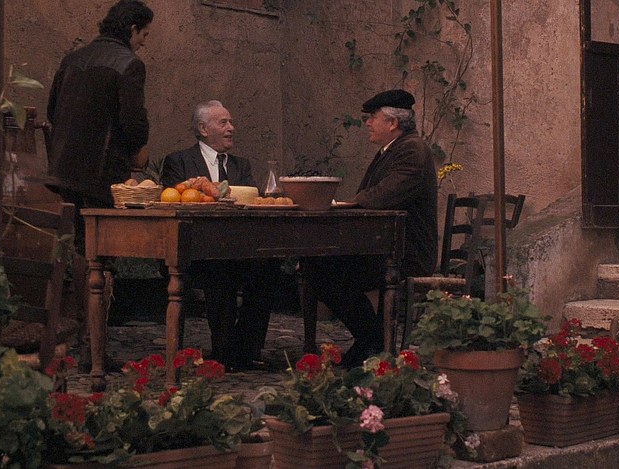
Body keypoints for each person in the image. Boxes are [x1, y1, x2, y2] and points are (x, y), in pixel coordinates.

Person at [45, 0, 154, 371]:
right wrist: (136, 149)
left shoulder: (72, 59)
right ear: (132, 29)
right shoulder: (129, 63)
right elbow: (134, 125)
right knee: (101, 256)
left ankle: (85, 342)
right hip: (104, 174)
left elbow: (52, 111)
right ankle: (94, 348)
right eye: (144, 35)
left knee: (81, 250)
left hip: (65, 172)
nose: (143, 43)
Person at [303, 89, 438, 368]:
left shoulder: (412, 150)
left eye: (373, 117)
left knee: (324, 271)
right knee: (317, 265)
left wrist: (350, 202)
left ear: (392, 122)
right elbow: (372, 194)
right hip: (385, 248)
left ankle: (372, 340)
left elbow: (383, 196)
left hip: (406, 253)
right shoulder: (392, 150)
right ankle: (371, 339)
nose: (367, 123)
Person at [160, 100, 277, 371]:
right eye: (223, 122)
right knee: (219, 269)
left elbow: (250, 202)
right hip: (194, 251)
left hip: (236, 248)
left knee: (268, 267)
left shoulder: (241, 166)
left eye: (231, 122)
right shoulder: (179, 162)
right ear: (203, 129)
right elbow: (173, 200)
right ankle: (224, 351)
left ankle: (246, 348)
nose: (231, 128)